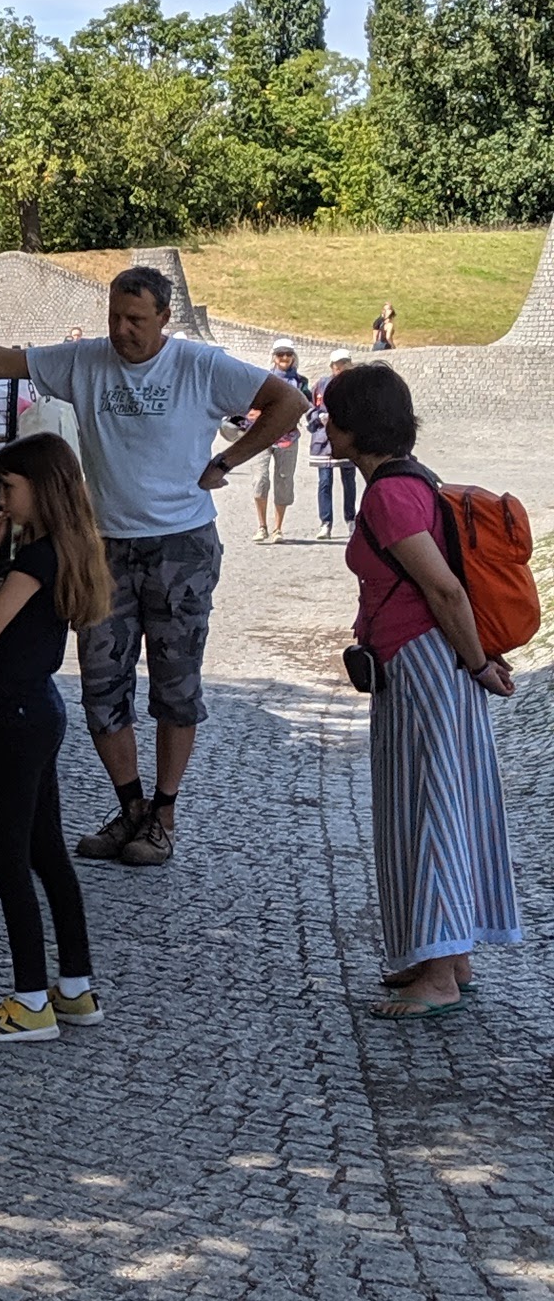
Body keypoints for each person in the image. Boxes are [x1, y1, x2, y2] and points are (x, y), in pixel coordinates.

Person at [0, 266, 306, 866]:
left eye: (137, 321)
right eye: (115, 317)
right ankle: (131, 810)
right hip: (104, 548)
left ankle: (163, 815)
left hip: (182, 547)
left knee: (176, 687)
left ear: (164, 319)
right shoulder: (87, 360)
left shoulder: (202, 366)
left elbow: (289, 401)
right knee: (101, 686)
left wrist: (227, 461)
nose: (122, 331)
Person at [326, 359, 518, 1016]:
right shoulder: (411, 480)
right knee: (438, 806)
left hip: (425, 666)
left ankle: (437, 977)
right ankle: (451, 959)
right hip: (429, 663)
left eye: (333, 412)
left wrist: (474, 664)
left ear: (355, 425)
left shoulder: (387, 494)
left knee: (430, 811)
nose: (325, 422)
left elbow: (444, 589)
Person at [0, 433, 113, 1044]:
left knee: (6, 856)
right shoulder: (60, 550)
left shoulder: (35, 560)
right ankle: (74, 990)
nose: (1, 498)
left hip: (20, 715)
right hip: (38, 708)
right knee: (46, 854)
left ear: (41, 488)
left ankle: (28, 1004)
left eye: (9, 487)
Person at [249, 344, 303, 542]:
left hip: (287, 437)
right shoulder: (262, 379)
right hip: (262, 435)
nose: (285, 357)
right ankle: (261, 526)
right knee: (260, 480)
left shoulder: (300, 381)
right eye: (281, 354)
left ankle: (278, 528)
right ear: (273, 357)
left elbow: (305, 405)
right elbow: (250, 403)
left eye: (289, 354)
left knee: (284, 480)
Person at [307, 355, 358, 537]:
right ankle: (325, 522)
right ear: (332, 365)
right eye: (337, 364)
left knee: (348, 480)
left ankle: (351, 519)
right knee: (325, 482)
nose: (340, 367)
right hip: (323, 440)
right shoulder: (321, 384)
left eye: (344, 364)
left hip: (345, 439)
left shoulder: (354, 386)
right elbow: (311, 408)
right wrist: (318, 418)